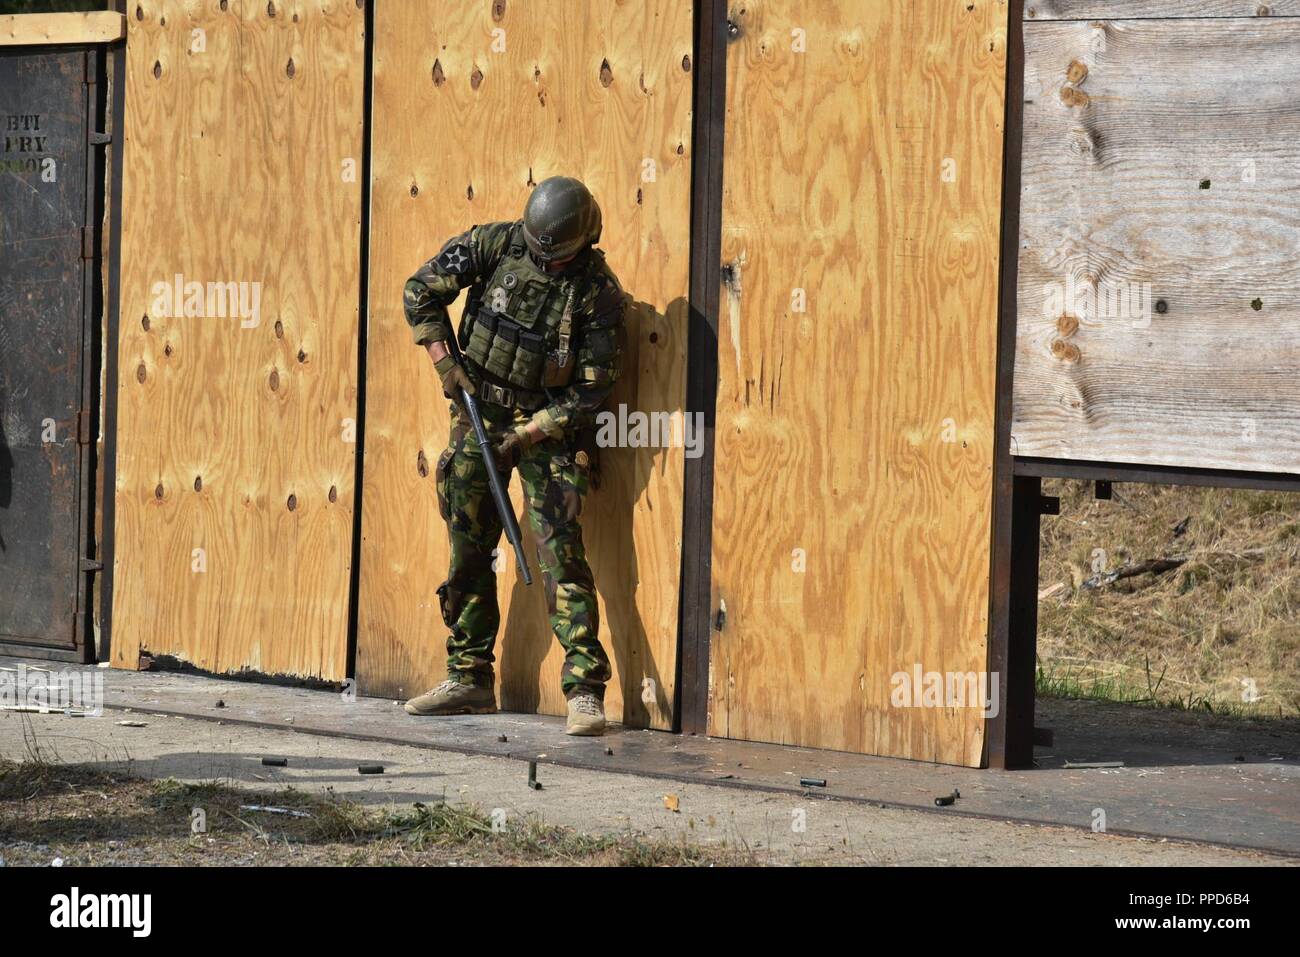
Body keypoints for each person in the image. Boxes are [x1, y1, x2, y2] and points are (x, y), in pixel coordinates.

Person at [400, 176, 626, 736]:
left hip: (544, 428)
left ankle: (585, 692)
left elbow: (592, 389)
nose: (546, 265)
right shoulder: (497, 244)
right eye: (540, 254)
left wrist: (528, 435)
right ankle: (469, 677)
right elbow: (420, 290)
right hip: (477, 410)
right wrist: (444, 362)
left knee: (560, 555)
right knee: (468, 543)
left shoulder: (597, 293)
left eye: (557, 259)